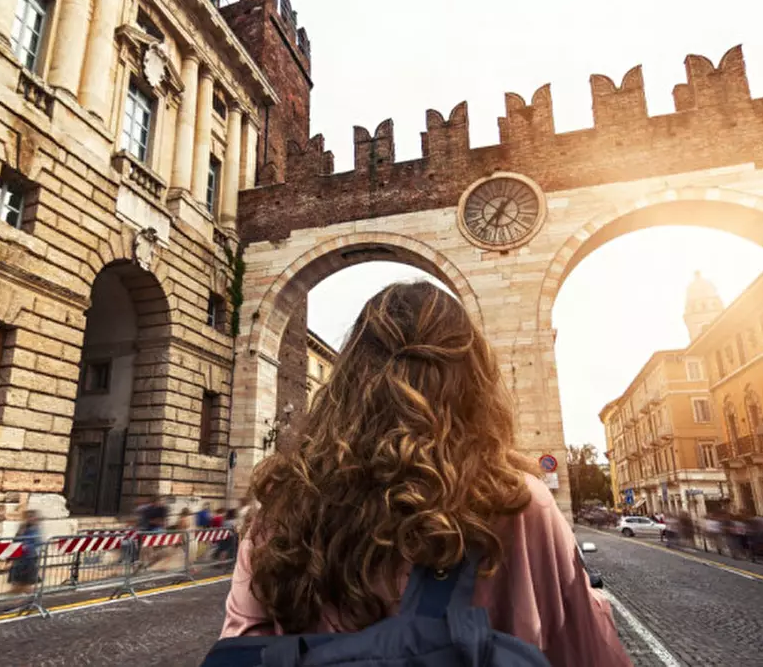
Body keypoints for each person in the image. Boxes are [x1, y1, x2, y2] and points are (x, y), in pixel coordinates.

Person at [219, 282, 631, 666]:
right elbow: (590, 652)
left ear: (346, 380)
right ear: (474, 382)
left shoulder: (282, 508)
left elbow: (241, 648)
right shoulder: (515, 502)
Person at [8, 510, 42, 596]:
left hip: (29, 557)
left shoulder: (35, 529)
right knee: (17, 582)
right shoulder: (22, 527)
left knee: (27, 583)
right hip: (20, 557)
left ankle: (27, 600)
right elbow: (16, 539)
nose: (30, 518)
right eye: (28, 516)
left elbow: (36, 541)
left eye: (31, 516)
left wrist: (26, 546)